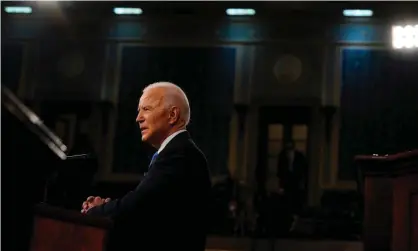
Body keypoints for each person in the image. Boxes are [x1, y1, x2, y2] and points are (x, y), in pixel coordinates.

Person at [81, 82, 212, 251]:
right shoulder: (177, 152)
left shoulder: (179, 154)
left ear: (172, 115)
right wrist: (107, 208)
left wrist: (98, 211)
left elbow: (137, 205)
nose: (138, 118)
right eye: (138, 111)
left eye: (146, 109)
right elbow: (149, 207)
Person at [277, 140, 308, 232]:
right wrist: (281, 186)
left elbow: (303, 170)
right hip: (286, 184)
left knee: (296, 204)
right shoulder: (282, 156)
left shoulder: (299, 157)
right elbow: (280, 172)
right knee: (286, 204)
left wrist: (301, 183)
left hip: (296, 184)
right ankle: (286, 223)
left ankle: (294, 223)